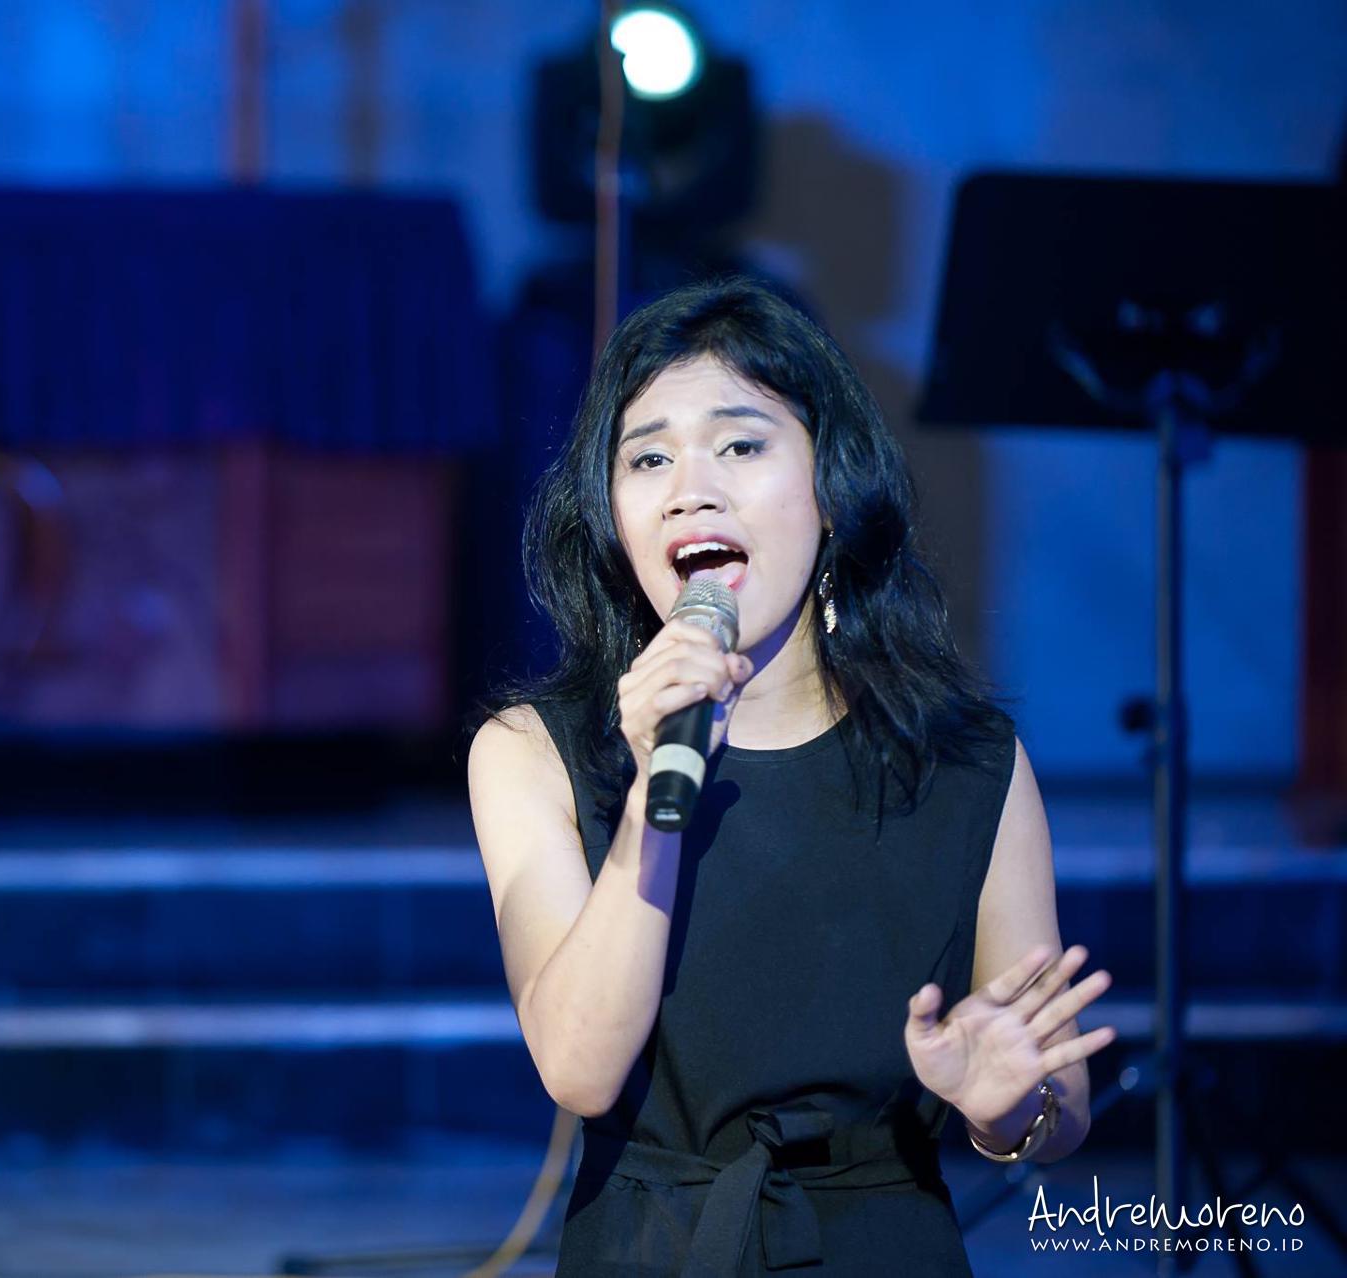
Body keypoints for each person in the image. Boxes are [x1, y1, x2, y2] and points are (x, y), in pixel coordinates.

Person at [465, 275, 1117, 1275]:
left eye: (740, 445)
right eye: (648, 457)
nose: (691, 488)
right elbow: (579, 1070)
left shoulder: (969, 765)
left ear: (831, 488)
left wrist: (1007, 1109)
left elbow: (1055, 1108)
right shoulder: (532, 754)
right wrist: (652, 798)